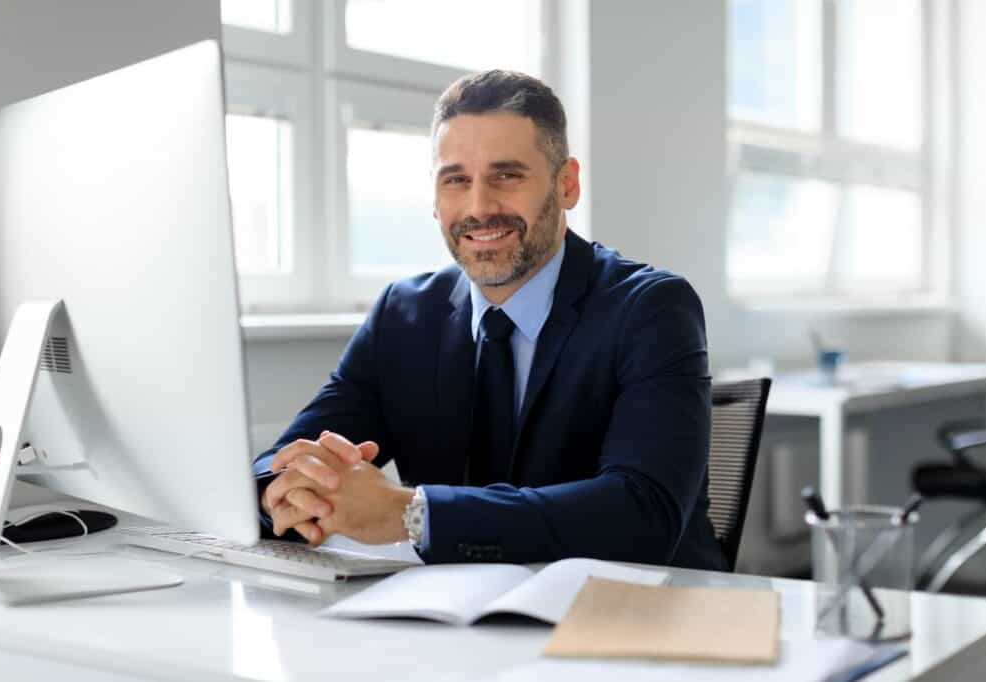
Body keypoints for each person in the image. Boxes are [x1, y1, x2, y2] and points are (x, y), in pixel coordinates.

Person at [253, 70, 727, 570]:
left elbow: (641, 515)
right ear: (435, 199)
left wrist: (414, 514)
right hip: (462, 620)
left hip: (643, 615)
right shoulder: (403, 314)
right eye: (456, 180)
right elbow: (280, 461)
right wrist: (287, 494)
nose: (479, 207)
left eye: (507, 175)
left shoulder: (651, 309)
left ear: (566, 185)